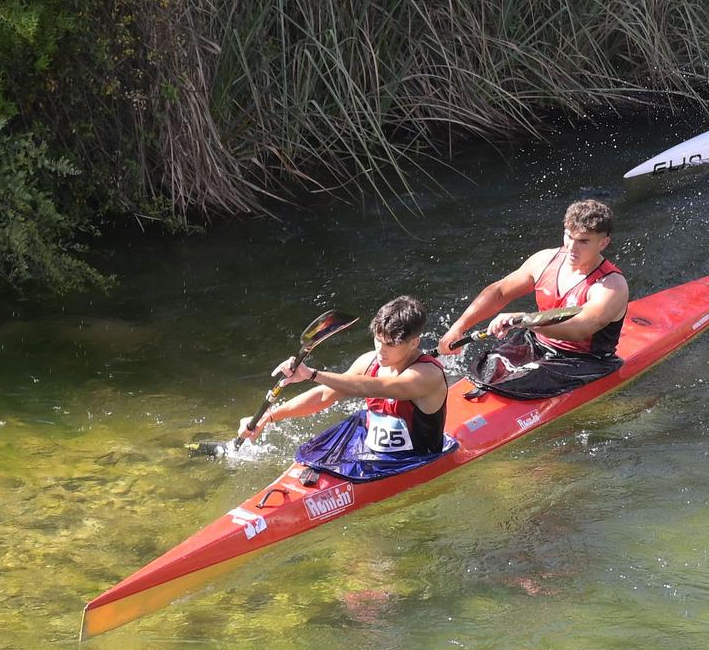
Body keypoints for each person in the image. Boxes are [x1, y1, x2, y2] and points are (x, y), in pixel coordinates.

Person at [435, 198, 631, 399]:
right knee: (488, 366)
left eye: (583, 241)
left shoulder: (610, 286)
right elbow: (500, 291)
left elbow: (581, 328)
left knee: (522, 379)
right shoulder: (545, 260)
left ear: (603, 243)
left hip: (584, 360)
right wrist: (458, 328)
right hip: (536, 342)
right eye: (568, 236)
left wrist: (524, 320)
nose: (571, 248)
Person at [236, 296, 453, 472]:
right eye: (377, 339)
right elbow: (325, 394)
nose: (380, 349)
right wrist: (270, 417)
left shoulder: (427, 375)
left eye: (389, 344)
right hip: (369, 448)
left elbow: (375, 387)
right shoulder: (369, 361)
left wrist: (311, 373)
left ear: (414, 342)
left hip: (414, 460)